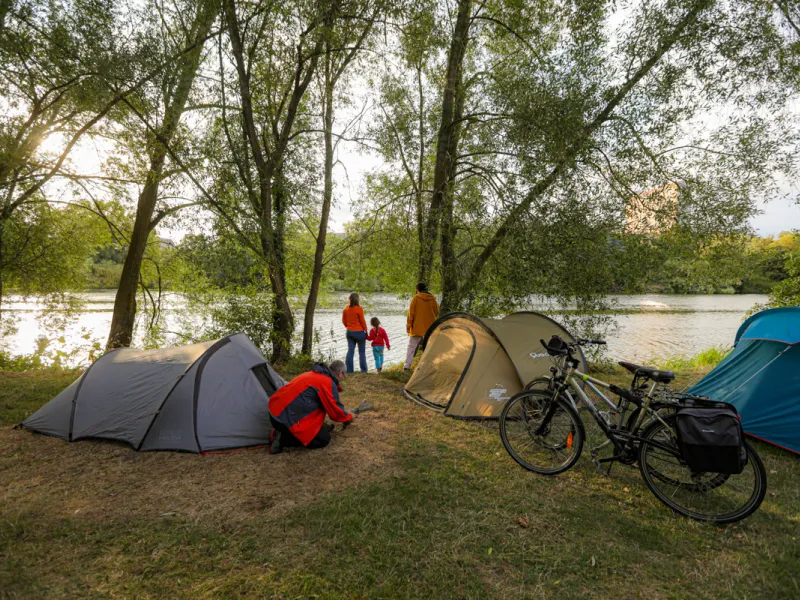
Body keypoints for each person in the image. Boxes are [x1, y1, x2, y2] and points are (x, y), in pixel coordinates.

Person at [268, 360, 353, 454]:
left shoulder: (313, 374)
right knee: (324, 439)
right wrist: (348, 417)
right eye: (344, 376)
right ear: (340, 374)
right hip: (283, 419)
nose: (342, 378)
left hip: (275, 411)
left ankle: (284, 432)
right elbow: (335, 411)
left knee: (321, 427)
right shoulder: (327, 382)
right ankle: (281, 439)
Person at [404, 282, 440, 370]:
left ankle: (407, 366)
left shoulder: (416, 298)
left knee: (411, 346)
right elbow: (437, 311)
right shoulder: (432, 299)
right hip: (430, 328)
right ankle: (428, 366)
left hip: (417, 327)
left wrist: (408, 326)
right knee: (429, 347)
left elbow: (411, 314)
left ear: (417, 290)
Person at [342, 292, 368, 373]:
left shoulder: (345, 309)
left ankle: (349, 371)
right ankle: (363, 371)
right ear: (357, 300)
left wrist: (348, 327)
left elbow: (343, 321)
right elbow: (362, 321)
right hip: (360, 333)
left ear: (349, 299)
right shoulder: (359, 309)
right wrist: (366, 330)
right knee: (362, 352)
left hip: (350, 332)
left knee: (350, 350)